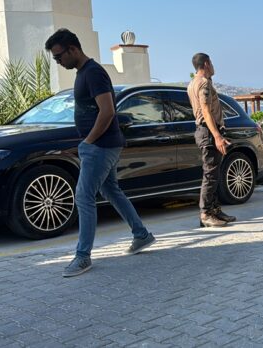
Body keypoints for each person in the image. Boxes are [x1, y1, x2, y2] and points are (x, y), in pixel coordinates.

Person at [45, 29, 155, 277]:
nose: (58, 61)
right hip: (101, 144)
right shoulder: (83, 73)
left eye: (59, 56)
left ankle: (82, 257)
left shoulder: (93, 73)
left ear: (73, 49)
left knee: (83, 196)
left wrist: (88, 142)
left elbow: (107, 111)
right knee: (110, 190)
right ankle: (142, 235)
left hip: (101, 145)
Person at [187, 53, 237, 228]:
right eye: (212, 63)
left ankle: (215, 210)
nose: (214, 66)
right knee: (210, 174)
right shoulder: (204, 84)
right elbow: (206, 111)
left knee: (214, 174)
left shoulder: (192, 83)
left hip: (205, 131)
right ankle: (206, 213)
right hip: (208, 132)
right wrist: (217, 136)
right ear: (206, 64)